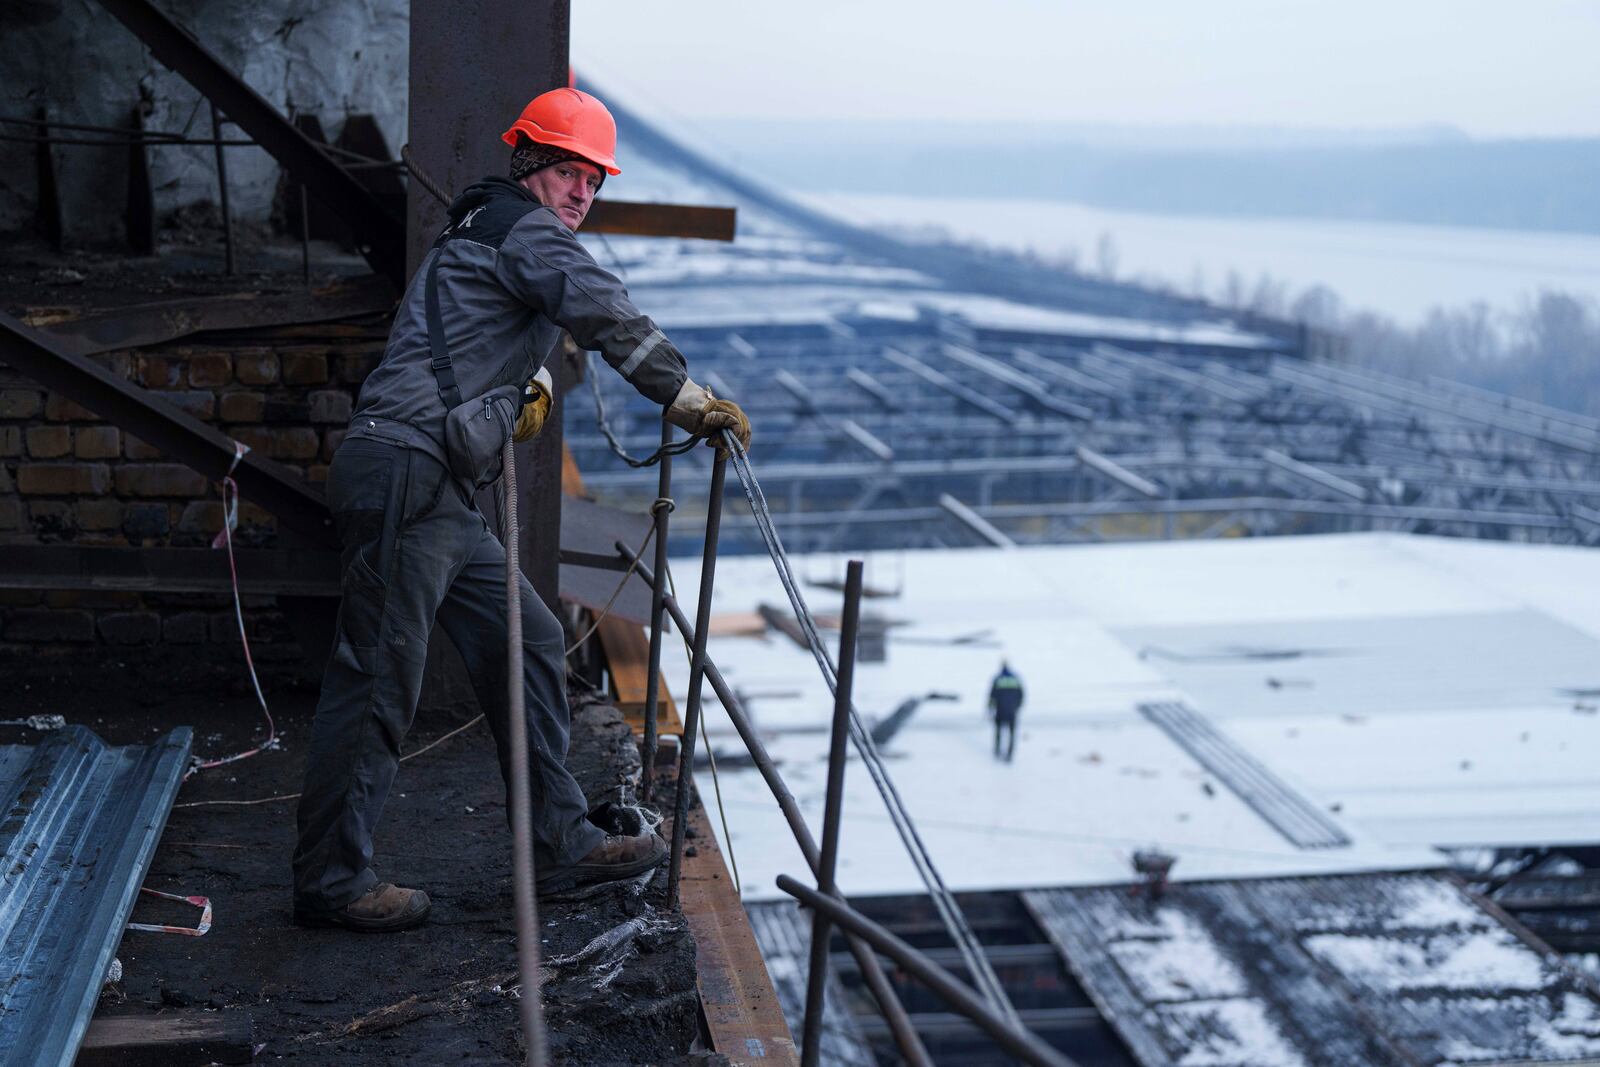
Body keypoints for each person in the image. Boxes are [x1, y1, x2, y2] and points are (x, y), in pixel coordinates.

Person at [291, 88, 751, 932]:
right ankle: (330, 878)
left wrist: (521, 386)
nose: (583, 193)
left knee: (531, 637)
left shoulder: (476, 231)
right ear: (531, 165)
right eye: (570, 172)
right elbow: (602, 307)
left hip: (429, 484)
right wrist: (684, 394)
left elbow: (470, 339)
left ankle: (559, 841)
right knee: (378, 679)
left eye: (594, 180)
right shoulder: (524, 231)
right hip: (409, 472)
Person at [988, 661, 1024, 762]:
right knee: (1011, 733)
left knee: (998, 731)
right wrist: (1017, 706)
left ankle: (997, 751)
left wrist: (990, 708)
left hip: (1000, 710)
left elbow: (992, 695)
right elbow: (1021, 695)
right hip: (1012, 711)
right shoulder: (1015, 679)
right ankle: (1010, 753)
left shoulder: (998, 678)